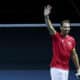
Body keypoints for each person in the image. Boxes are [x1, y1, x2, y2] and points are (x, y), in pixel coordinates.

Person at [43, 4, 80, 80]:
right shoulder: (56, 37)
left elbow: (74, 55)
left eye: (68, 27)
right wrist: (46, 17)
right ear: (61, 28)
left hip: (66, 69)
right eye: (65, 27)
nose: (67, 29)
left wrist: (78, 68)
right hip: (56, 68)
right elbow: (50, 27)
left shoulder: (72, 39)